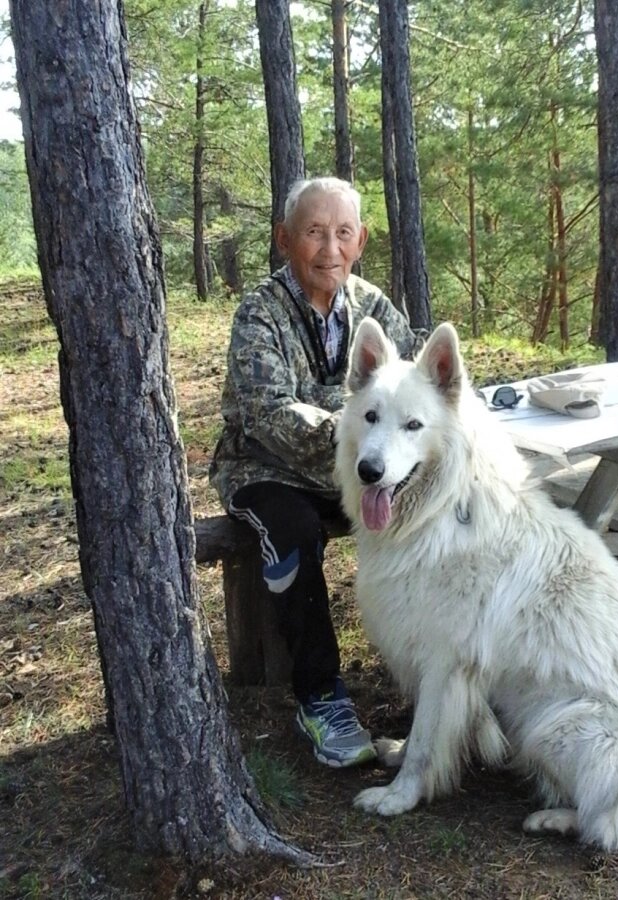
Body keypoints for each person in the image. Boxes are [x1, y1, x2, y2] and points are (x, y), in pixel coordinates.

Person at [210, 176, 425, 767]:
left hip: (356, 466)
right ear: (284, 240)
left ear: (359, 243)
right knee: (295, 533)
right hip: (266, 469)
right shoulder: (260, 314)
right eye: (313, 232)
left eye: (343, 233)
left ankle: (441, 677)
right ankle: (320, 694)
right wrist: (360, 423)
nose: (329, 248)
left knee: (431, 514)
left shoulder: (374, 307)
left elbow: (411, 384)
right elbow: (268, 412)